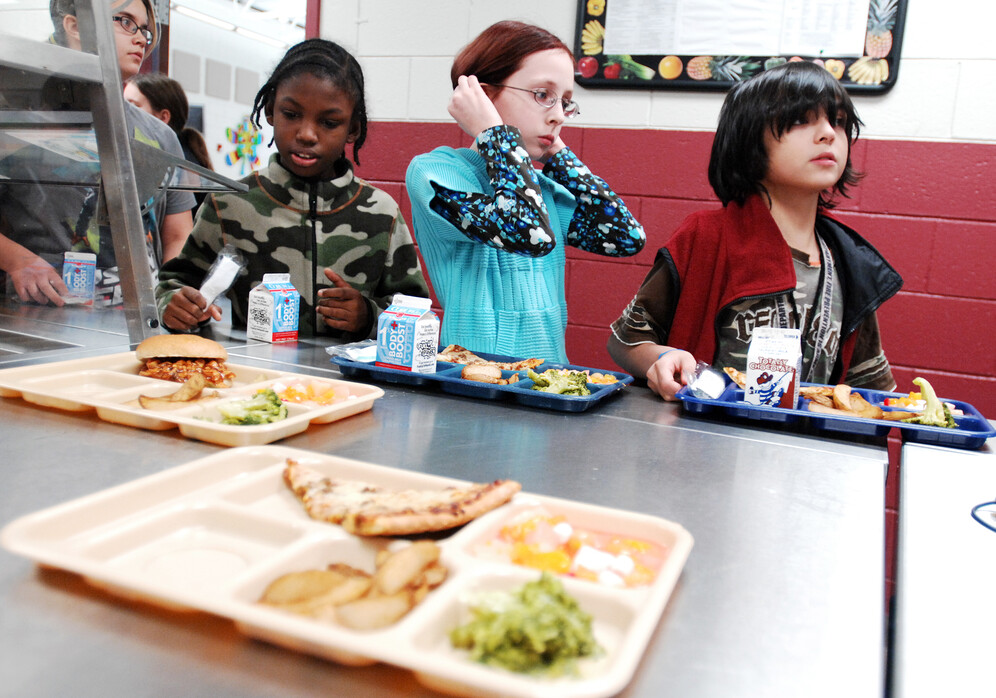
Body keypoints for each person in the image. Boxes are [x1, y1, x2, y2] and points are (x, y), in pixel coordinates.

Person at [607, 61, 902, 400]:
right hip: (701, 440)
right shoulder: (706, 237)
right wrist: (660, 359)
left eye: (837, 120)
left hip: (806, 448)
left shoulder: (850, 261)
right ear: (749, 140)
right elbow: (623, 341)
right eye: (799, 120)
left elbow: (871, 392)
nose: (828, 133)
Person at [405, 21, 645, 363]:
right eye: (543, 95)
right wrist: (494, 132)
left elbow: (626, 237)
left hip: (548, 382)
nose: (559, 116)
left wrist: (558, 154)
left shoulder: (538, 188)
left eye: (565, 102)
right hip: (476, 387)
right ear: (484, 96)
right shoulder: (437, 172)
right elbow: (528, 233)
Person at [156, 38, 428, 339]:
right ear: (270, 111)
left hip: (349, 385)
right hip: (256, 380)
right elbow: (175, 284)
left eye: (329, 122)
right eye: (291, 114)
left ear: (353, 129)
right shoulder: (229, 202)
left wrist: (369, 317)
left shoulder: (381, 212)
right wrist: (174, 306)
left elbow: (416, 313)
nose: (307, 134)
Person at [0, 0, 195, 307]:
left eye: (144, 29)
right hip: (46, 312)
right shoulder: (20, 125)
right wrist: (16, 259)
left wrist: (171, 289)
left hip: (140, 317)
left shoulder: (160, 134)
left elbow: (177, 234)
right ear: (75, 26)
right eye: (125, 22)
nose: (141, 39)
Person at [124, 72, 214, 208]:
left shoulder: (178, 164)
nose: (125, 114)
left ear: (163, 117)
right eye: (124, 106)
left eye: (134, 107)